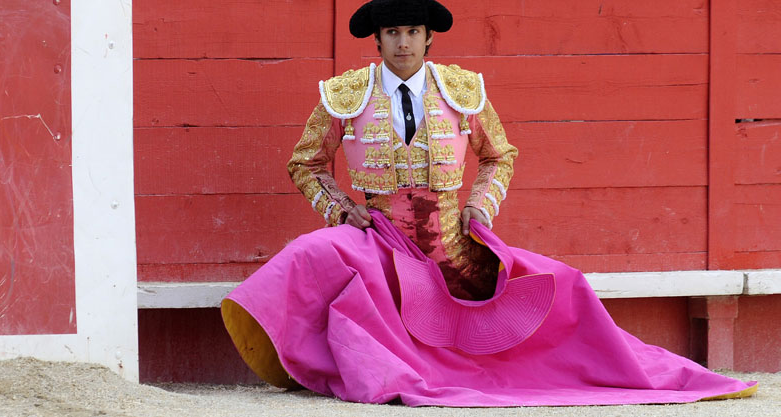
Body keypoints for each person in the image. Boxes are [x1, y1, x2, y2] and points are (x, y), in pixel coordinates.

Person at [221, 0, 756, 407]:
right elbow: (305, 163)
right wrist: (341, 209)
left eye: (411, 32)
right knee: (311, 252)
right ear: (378, 40)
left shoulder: (464, 91)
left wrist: (481, 205)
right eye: (392, 33)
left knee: (560, 285)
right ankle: (299, 361)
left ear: (429, 38)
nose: (402, 42)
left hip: (455, 244)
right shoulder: (344, 94)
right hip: (379, 239)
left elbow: (500, 156)